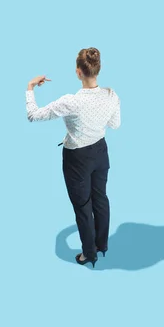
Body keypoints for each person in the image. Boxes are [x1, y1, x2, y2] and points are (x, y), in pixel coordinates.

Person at [25, 47, 121, 268]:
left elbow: (33, 115)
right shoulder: (111, 95)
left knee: (82, 206)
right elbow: (115, 125)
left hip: (77, 158)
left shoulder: (71, 101)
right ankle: (102, 245)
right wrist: (98, 117)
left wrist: (30, 87)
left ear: (78, 72)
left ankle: (89, 253)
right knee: (101, 199)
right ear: (98, 69)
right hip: (101, 151)